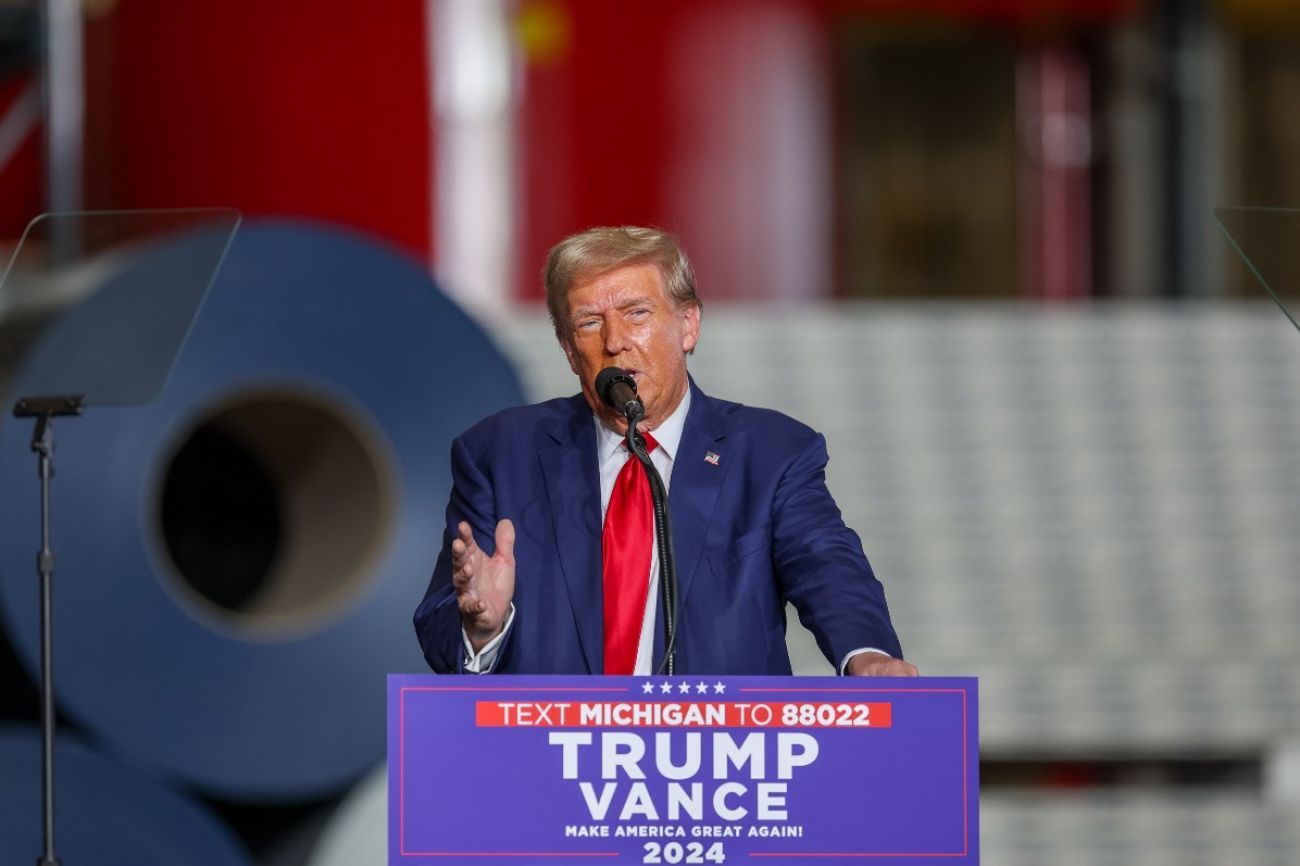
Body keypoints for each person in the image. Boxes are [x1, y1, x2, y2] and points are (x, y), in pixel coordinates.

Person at [413, 226, 916, 677]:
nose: (615, 343)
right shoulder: (500, 454)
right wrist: (482, 629)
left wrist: (865, 655)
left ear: (688, 325)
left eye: (637, 313)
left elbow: (826, 565)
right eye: (589, 323)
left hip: (718, 763)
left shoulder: (771, 454)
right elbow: (442, 635)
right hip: (550, 763)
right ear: (569, 350)